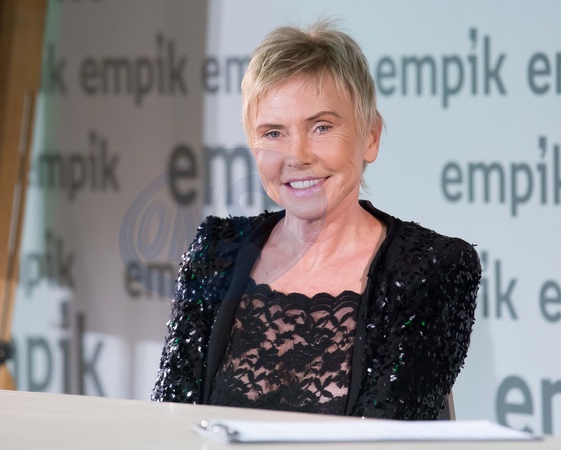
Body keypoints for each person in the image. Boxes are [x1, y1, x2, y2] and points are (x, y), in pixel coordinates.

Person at [151, 21, 481, 420]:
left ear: (371, 137)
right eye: (274, 134)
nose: (298, 156)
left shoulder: (431, 268)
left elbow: (385, 438)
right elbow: (169, 422)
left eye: (321, 127)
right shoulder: (216, 252)